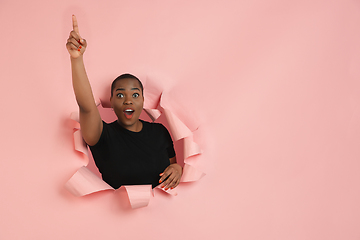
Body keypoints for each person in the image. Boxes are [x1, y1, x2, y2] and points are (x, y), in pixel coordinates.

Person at [66, 15, 182, 190]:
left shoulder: (159, 132)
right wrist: (76, 59)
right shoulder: (102, 136)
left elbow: (173, 170)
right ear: (111, 102)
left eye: (135, 95)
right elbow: (86, 106)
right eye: (120, 96)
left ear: (143, 100)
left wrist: (177, 168)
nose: (128, 100)